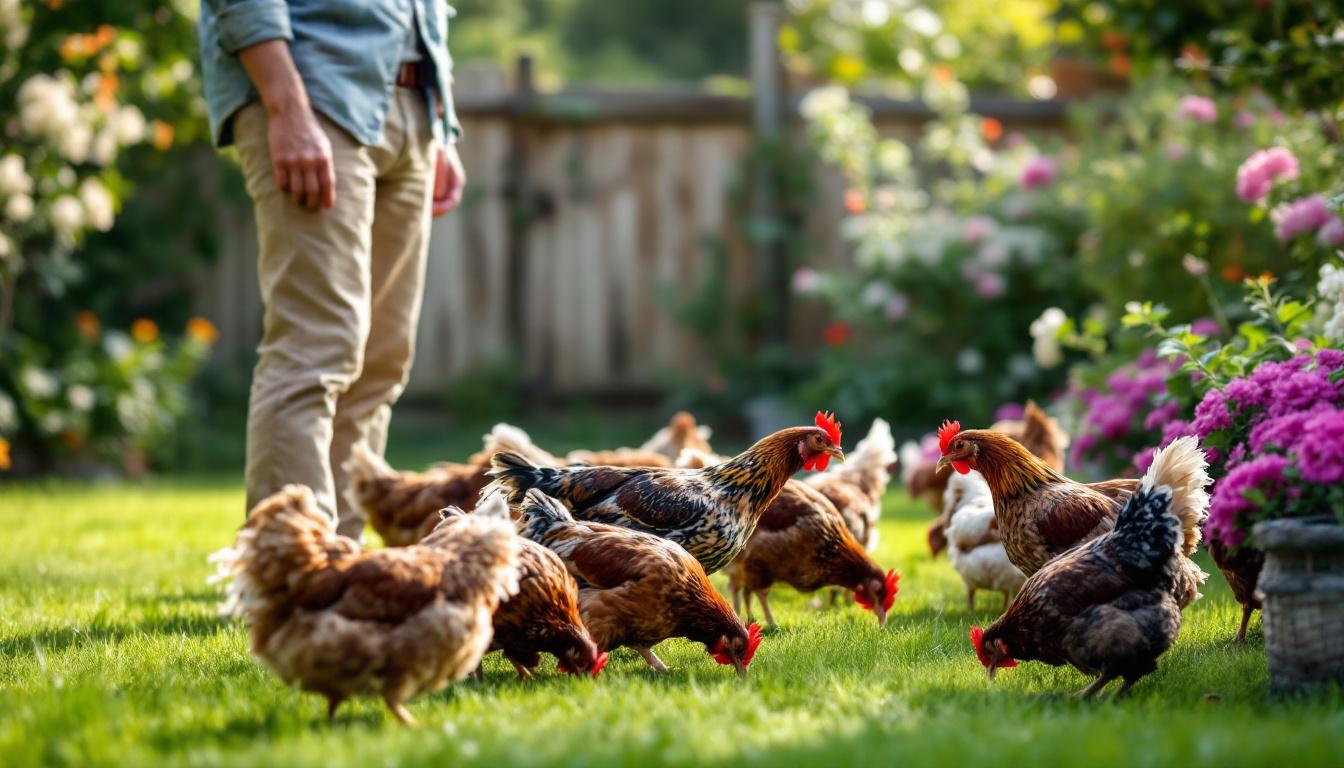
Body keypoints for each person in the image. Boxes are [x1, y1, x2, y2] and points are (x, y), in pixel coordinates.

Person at [198, 1, 467, 538]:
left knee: (382, 357)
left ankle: (337, 568)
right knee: (317, 348)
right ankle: (288, 567)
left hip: (412, 103)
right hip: (315, 93)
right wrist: (286, 109)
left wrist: (438, 123)